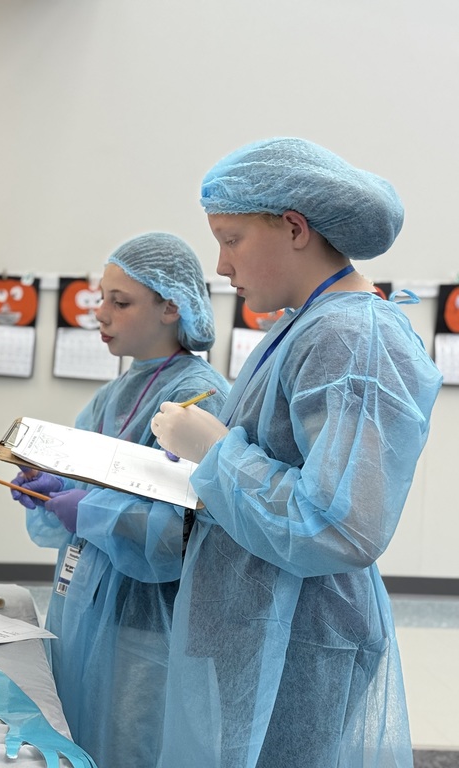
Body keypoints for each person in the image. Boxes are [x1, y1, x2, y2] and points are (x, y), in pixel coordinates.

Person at [151, 138, 442, 767]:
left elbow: (339, 527)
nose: (221, 266)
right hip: (261, 625)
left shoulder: (352, 337)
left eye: (230, 239)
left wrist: (218, 452)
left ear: (292, 227)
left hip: (300, 637)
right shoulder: (305, 325)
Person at [9, 232, 230, 767]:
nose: (99, 314)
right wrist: (55, 489)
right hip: (86, 602)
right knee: (82, 734)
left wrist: (86, 509)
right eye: (100, 297)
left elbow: (182, 531)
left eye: (120, 301)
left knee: (134, 744)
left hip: (148, 618)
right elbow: (96, 484)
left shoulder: (196, 396)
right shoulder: (111, 397)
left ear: (170, 308)